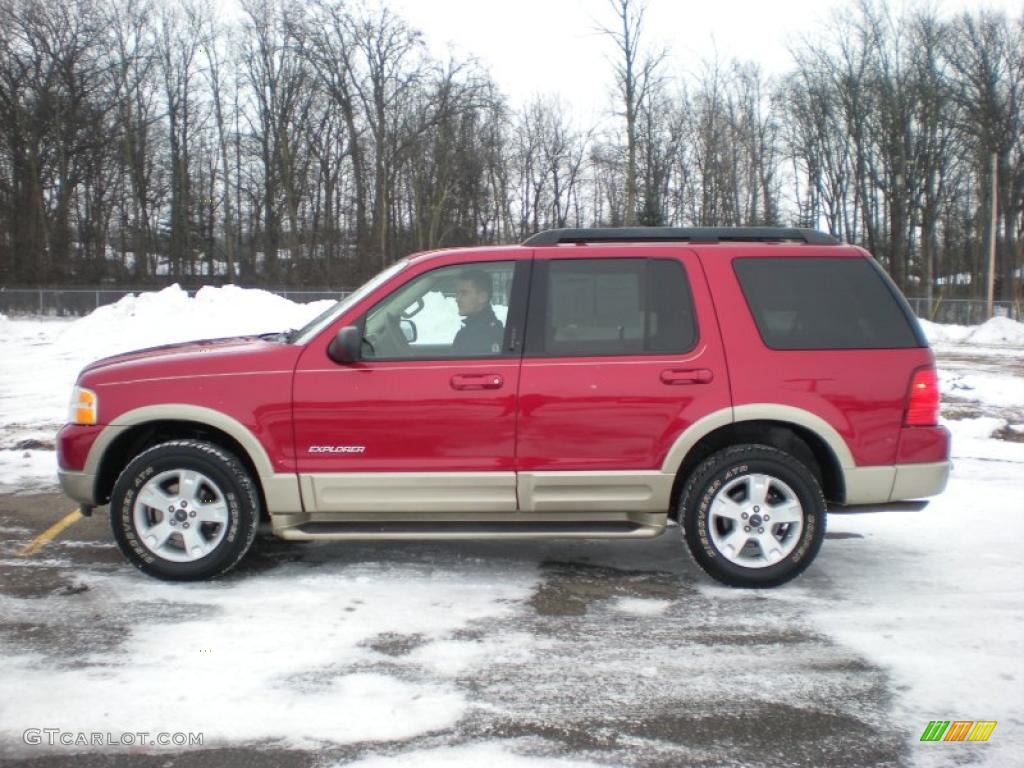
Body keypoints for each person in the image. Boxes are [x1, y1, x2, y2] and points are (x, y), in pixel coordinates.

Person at [452, 270, 504, 355]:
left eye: (464, 293)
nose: (457, 299)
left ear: (482, 297)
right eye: (457, 293)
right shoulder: (473, 330)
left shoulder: (481, 337)